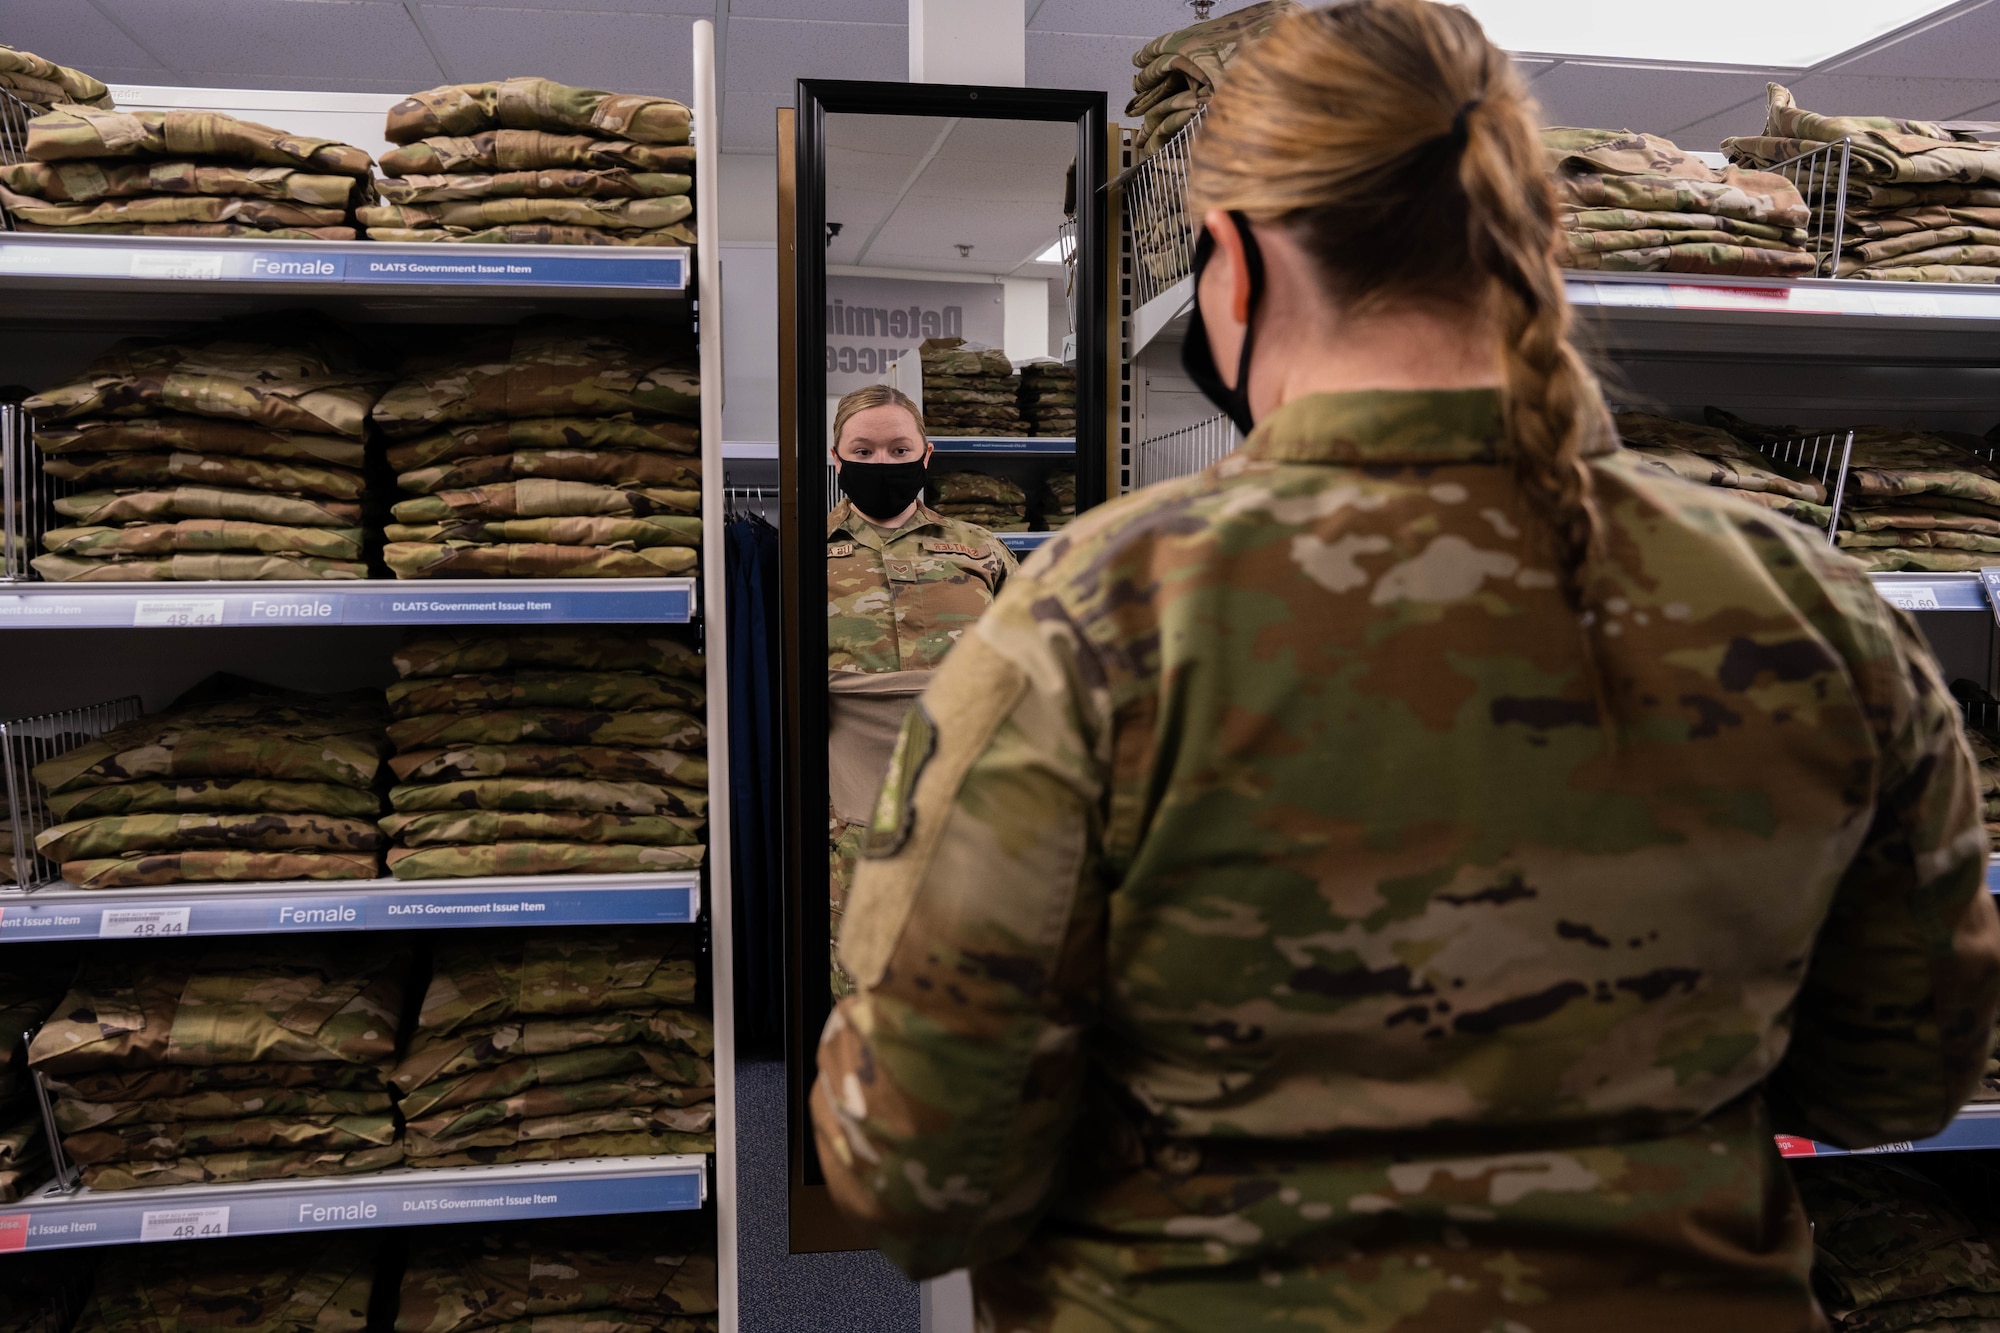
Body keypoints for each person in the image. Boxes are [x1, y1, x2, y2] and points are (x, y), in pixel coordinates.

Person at [810, 3, 2000, 1330]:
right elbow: (1898, 1084)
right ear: (1531, 249)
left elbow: (917, 1174)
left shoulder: (1093, 626)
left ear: (1239, 268)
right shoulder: (1818, 613)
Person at [824, 383, 1018, 996]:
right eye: (864, 449)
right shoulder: (799, 554)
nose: (882, 463)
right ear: (837, 458)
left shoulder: (981, 551)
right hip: (844, 806)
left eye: (898, 449)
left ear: (926, 455)